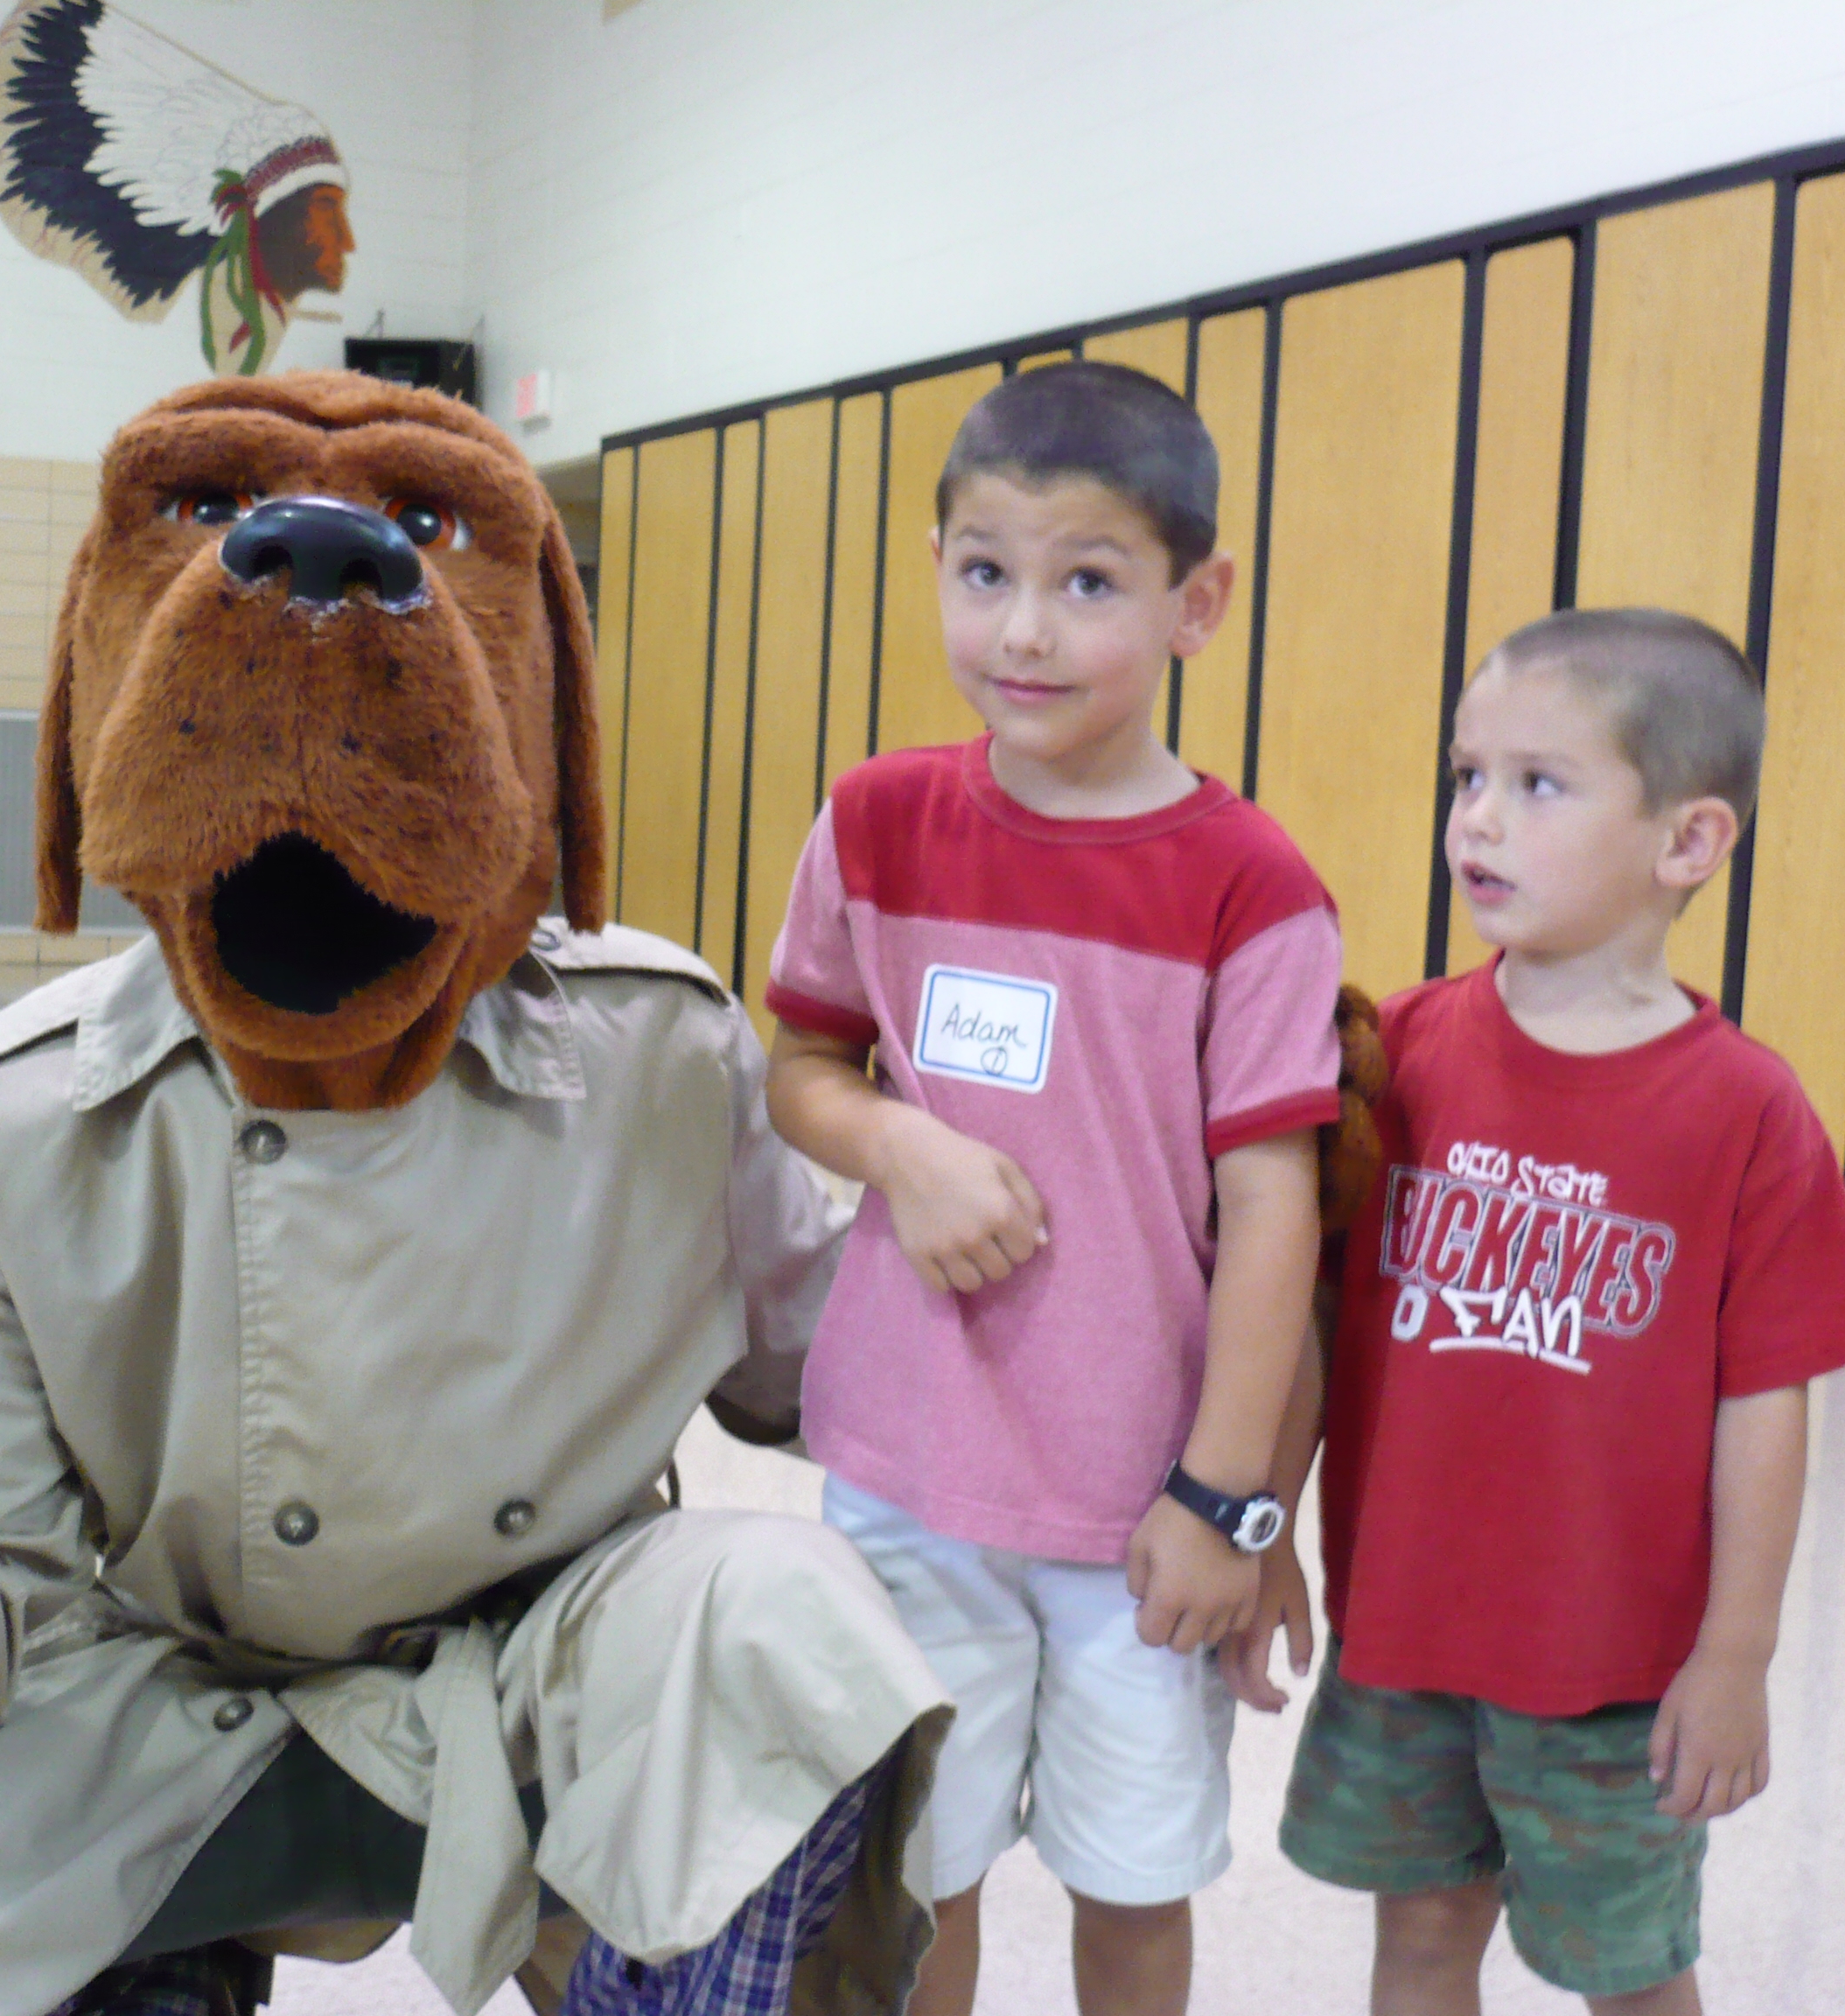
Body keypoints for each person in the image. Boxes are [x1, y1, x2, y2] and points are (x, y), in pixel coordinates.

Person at [762, 360, 1344, 2016]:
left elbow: (1277, 1216)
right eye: (984, 572)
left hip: (1138, 1511)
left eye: (1088, 583)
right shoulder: (875, 821)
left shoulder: (1252, 887)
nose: (1022, 631)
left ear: (1195, 604)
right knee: (914, 1876)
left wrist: (1226, 1502)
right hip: (908, 1475)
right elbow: (801, 1067)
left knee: (1133, 1884)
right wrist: (901, 1145)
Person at [1262, 607, 1845, 2015]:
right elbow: (1312, 1321)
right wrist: (1267, 1531)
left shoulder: (1748, 1112)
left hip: (1614, 1677)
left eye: (1539, 783)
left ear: (1690, 842)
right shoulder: (1402, 1051)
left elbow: (1766, 1405)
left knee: (1630, 1973)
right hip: (1404, 1631)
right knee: (1421, 1940)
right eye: (1467, 776)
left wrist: (1737, 1654)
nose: (1479, 818)